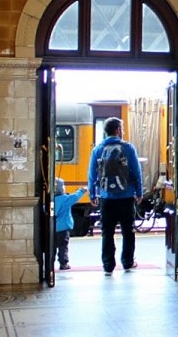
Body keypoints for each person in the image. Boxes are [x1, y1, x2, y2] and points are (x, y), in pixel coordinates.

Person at [88, 117, 143, 276]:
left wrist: (93, 194)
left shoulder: (98, 149)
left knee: (107, 232)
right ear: (118, 130)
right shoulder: (128, 148)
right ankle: (127, 262)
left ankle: (108, 265)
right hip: (126, 197)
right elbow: (136, 172)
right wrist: (139, 192)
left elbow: (92, 174)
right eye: (122, 128)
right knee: (128, 231)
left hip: (106, 198)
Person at [53, 177, 87, 270]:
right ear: (61, 188)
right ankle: (63, 264)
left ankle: (50, 263)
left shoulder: (51, 200)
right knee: (63, 246)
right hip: (63, 228)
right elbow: (75, 197)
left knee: (52, 247)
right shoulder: (65, 199)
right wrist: (82, 190)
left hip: (52, 228)